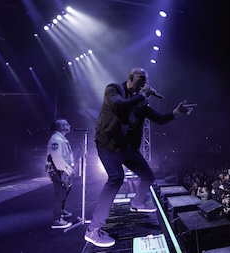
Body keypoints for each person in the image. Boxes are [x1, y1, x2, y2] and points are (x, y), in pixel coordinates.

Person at [84, 67, 197, 247]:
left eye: (147, 79)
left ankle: (137, 203)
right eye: (142, 78)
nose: (145, 82)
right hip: (108, 144)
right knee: (116, 178)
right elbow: (119, 107)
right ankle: (93, 230)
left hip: (126, 147)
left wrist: (175, 113)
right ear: (130, 77)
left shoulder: (141, 102)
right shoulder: (113, 90)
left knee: (149, 176)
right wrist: (143, 96)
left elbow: (158, 118)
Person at [45, 118, 74, 229]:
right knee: (60, 194)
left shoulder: (61, 139)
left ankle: (61, 211)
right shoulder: (56, 139)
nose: (69, 125)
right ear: (61, 127)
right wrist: (68, 170)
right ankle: (56, 220)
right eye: (67, 124)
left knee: (66, 189)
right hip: (57, 171)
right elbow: (57, 158)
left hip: (62, 170)